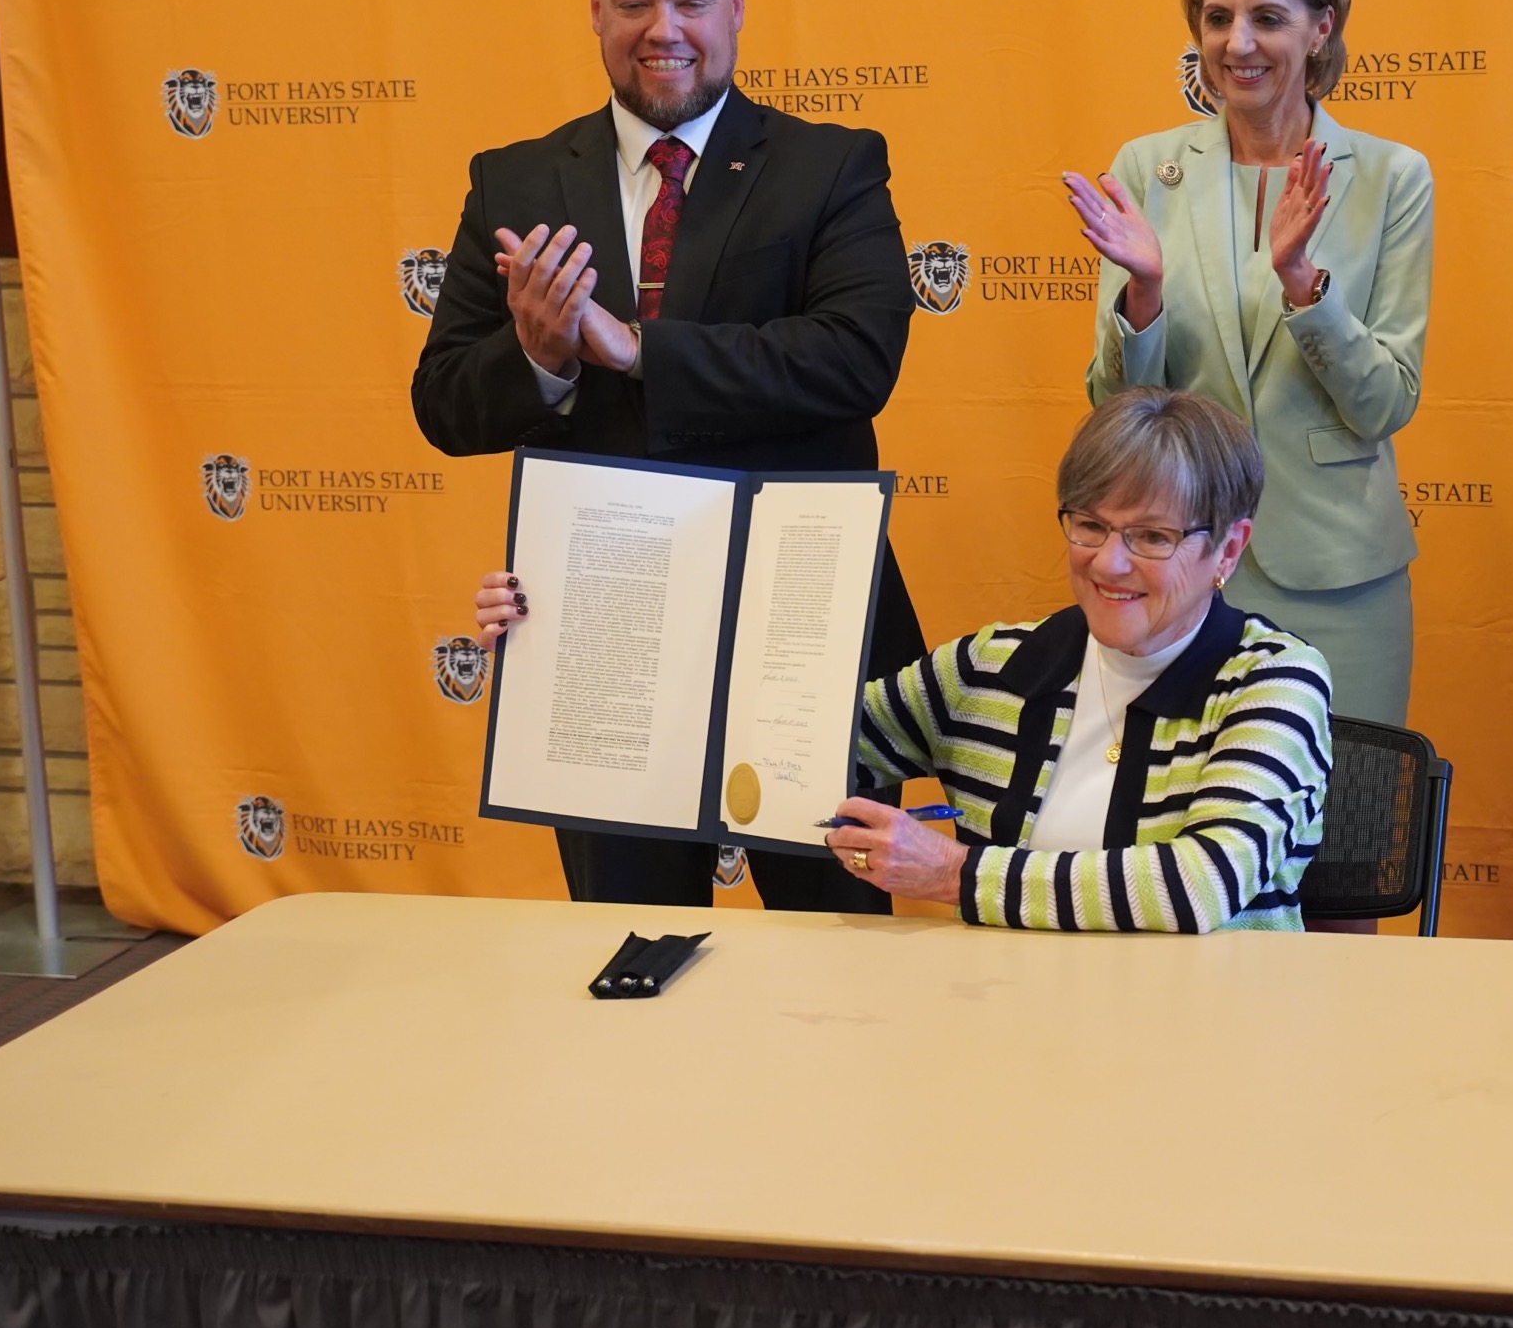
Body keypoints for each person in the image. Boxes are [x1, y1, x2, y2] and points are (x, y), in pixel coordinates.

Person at [415, 0, 926, 915]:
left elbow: (853, 361)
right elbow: (444, 406)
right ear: (593, 10)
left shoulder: (832, 167)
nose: (664, 30)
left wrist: (633, 347)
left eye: (690, 0)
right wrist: (542, 357)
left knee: (837, 963)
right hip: (598, 627)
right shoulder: (512, 183)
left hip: (799, 625)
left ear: (734, 5)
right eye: (634, 1)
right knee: (625, 947)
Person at [477, 390, 1333, 931]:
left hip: (1203, 1053)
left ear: (1228, 550)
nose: (1108, 562)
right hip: (997, 1037)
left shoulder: (1274, 682)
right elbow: (773, 743)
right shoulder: (997, 666)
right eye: (1090, 525)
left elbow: (1199, 885)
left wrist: (955, 875)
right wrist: (558, 636)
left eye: (1150, 536)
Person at [1068, 0, 1431, 726]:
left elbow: (1385, 402)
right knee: (1179, 839)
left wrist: (1305, 285)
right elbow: (1112, 409)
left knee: (1338, 839)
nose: (1237, 43)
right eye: (1216, 16)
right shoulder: (1147, 166)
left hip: (1337, 576)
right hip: (1169, 569)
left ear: (1322, 27)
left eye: (1267, 17)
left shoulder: (1391, 177)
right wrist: (1145, 294)